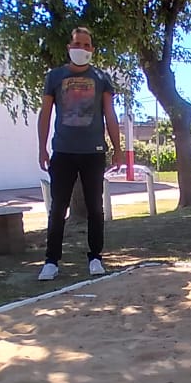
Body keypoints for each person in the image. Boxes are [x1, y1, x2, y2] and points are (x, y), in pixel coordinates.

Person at [37, 27, 123, 281]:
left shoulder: (101, 78)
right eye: (78, 44)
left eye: (87, 45)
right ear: (69, 46)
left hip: (93, 152)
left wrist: (117, 148)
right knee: (57, 208)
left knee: (95, 208)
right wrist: (42, 147)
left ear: (92, 50)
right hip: (62, 151)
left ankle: (95, 257)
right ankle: (51, 261)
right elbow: (45, 114)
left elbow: (110, 114)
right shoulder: (54, 77)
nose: (82, 49)